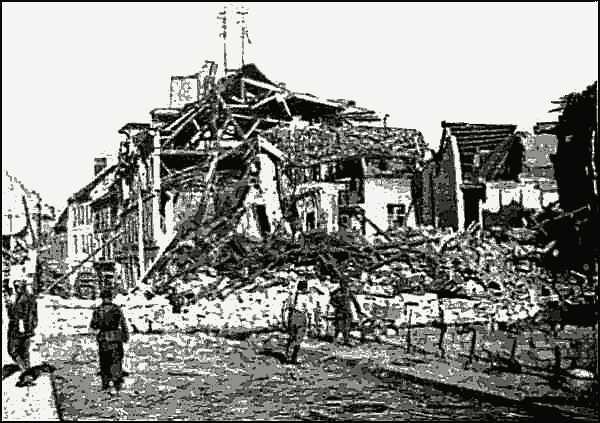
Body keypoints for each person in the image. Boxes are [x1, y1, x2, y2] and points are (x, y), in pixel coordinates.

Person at [90, 288, 129, 392]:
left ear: (102, 298)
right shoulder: (116, 309)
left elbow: (93, 326)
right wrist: (125, 336)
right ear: (111, 298)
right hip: (116, 337)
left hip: (103, 338)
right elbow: (123, 324)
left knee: (104, 361)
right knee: (116, 360)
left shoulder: (98, 310)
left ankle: (106, 383)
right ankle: (116, 382)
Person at [6, 279, 38, 370]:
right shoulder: (30, 298)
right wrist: (32, 327)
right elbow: (34, 315)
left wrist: (9, 306)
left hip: (18, 329)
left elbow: (16, 315)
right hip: (28, 329)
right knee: (24, 352)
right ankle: (27, 372)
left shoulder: (21, 301)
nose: (15, 289)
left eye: (16, 287)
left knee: (13, 351)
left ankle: (24, 370)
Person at [329, 280, 365, 346]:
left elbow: (355, 301)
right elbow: (331, 301)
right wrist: (337, 305)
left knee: (347, 327)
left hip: (348, 311)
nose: (344, 286)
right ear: (340, 285)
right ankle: (334, 339)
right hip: (339, 311)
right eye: (342, 285)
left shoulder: (349, 292)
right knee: (338, 326)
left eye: (345, 285)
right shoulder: (337, 292)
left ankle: (346, 340)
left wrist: (359, 310)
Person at [284, 278, 311, 365]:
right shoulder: (305, 297)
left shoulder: (291, 295)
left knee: (292, 336)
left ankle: (289, 354)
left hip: (292, 316)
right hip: (300, 316)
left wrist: (284, 320)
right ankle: (293, 356)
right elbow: (308, 309)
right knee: (298, 337)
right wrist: (310, 320)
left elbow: (285, 307)